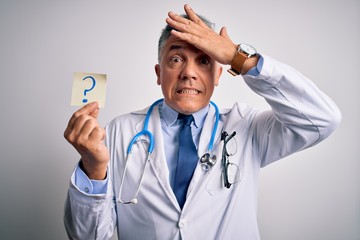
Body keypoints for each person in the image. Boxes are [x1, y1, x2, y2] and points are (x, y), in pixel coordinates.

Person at [63, 4, 341, 240]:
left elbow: (322, 119)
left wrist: (240, 58)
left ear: (219, 75)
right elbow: (90, 236)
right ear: (159, 73)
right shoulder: (119, 132)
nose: (189, 73)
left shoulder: (247, 127)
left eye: (204, 61)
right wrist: (94, 167)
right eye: (175, 59)